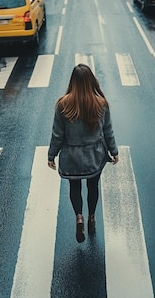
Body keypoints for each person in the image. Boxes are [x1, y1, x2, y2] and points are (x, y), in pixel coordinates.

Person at [48, 64, 119, 243]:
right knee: (93, 187)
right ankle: (92, 217)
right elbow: (108, 131)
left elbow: (57, 134)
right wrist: (114, 151)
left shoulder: (63, 104)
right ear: (91, 81)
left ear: (72, 81)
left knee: (75, 188)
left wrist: (51, 155)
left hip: (71, 156)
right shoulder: (101, 104)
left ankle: (79, 216)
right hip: (93, 155)